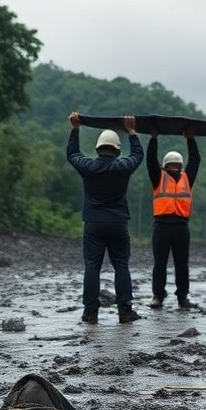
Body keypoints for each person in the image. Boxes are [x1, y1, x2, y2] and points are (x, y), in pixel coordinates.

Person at [67, 112, 144, 324]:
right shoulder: (123, 167)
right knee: (121, 266)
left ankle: (90, 313)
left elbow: (72, 154)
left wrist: (75, 129)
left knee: (92, 267)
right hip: (118, 223)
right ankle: (125, 312)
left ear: (98, 148)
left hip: (93, 223)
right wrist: (132, 132)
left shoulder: (88, 167)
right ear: (117, 149)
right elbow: (138, 155)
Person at [146, 127, 200, 309]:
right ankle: (157, 296)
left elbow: (195, 160)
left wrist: (190, 139)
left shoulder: (187, 177)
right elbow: (150, 160)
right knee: (159, 264)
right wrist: (153, 138)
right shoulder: (157, 177)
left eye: (178, 165)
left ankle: (182, 297)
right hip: (161, 226)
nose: (176, 168)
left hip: (181, 227)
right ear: (165, 166)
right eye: (173, 165)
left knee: (182, 265)